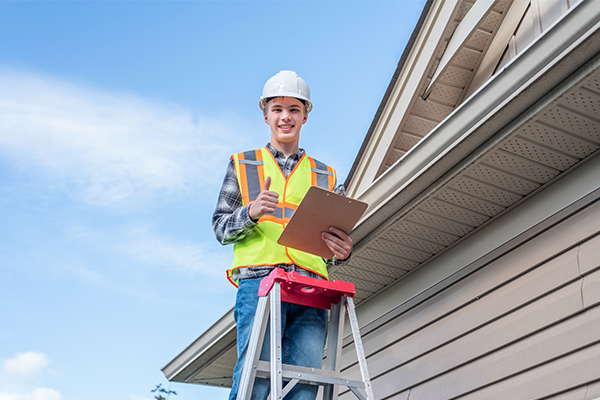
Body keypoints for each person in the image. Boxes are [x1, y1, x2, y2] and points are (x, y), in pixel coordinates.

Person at [212, 70, 353, 400]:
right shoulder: (244, 165)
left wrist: (343, 251)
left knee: (303, 387)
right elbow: (220, 228)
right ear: (265, 115)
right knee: (255, 381)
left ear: (305, 115)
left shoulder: (326, 175)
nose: (285, 117)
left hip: (312, 289)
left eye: (293, 109)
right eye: (277, 109)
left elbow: (337, 239)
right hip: (260, 284)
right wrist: (250, 212)